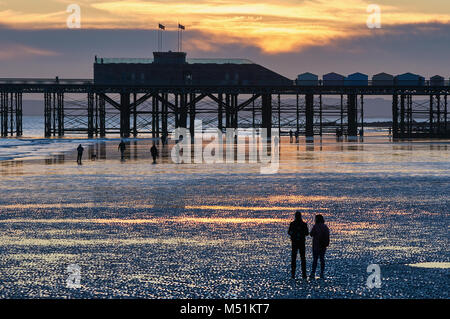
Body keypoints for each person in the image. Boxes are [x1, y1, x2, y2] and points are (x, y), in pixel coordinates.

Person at [288, 211, 309, 279]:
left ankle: (293, 274)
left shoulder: (293, 224)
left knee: (294, 259)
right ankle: (303, 274)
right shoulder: (303, 224)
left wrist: (293, 234)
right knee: (302, 259)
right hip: (301, 243)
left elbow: (289, 232)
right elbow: (307, 233)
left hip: (295, 243)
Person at [309, 214, 330, 279]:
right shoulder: (325, 227)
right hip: (323, 245)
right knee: (322, 259)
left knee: (315, 260)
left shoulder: (316, 226)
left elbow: (311, 234)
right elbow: (327, 235)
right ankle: (322, 273)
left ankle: (313, 273)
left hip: (316, 245)